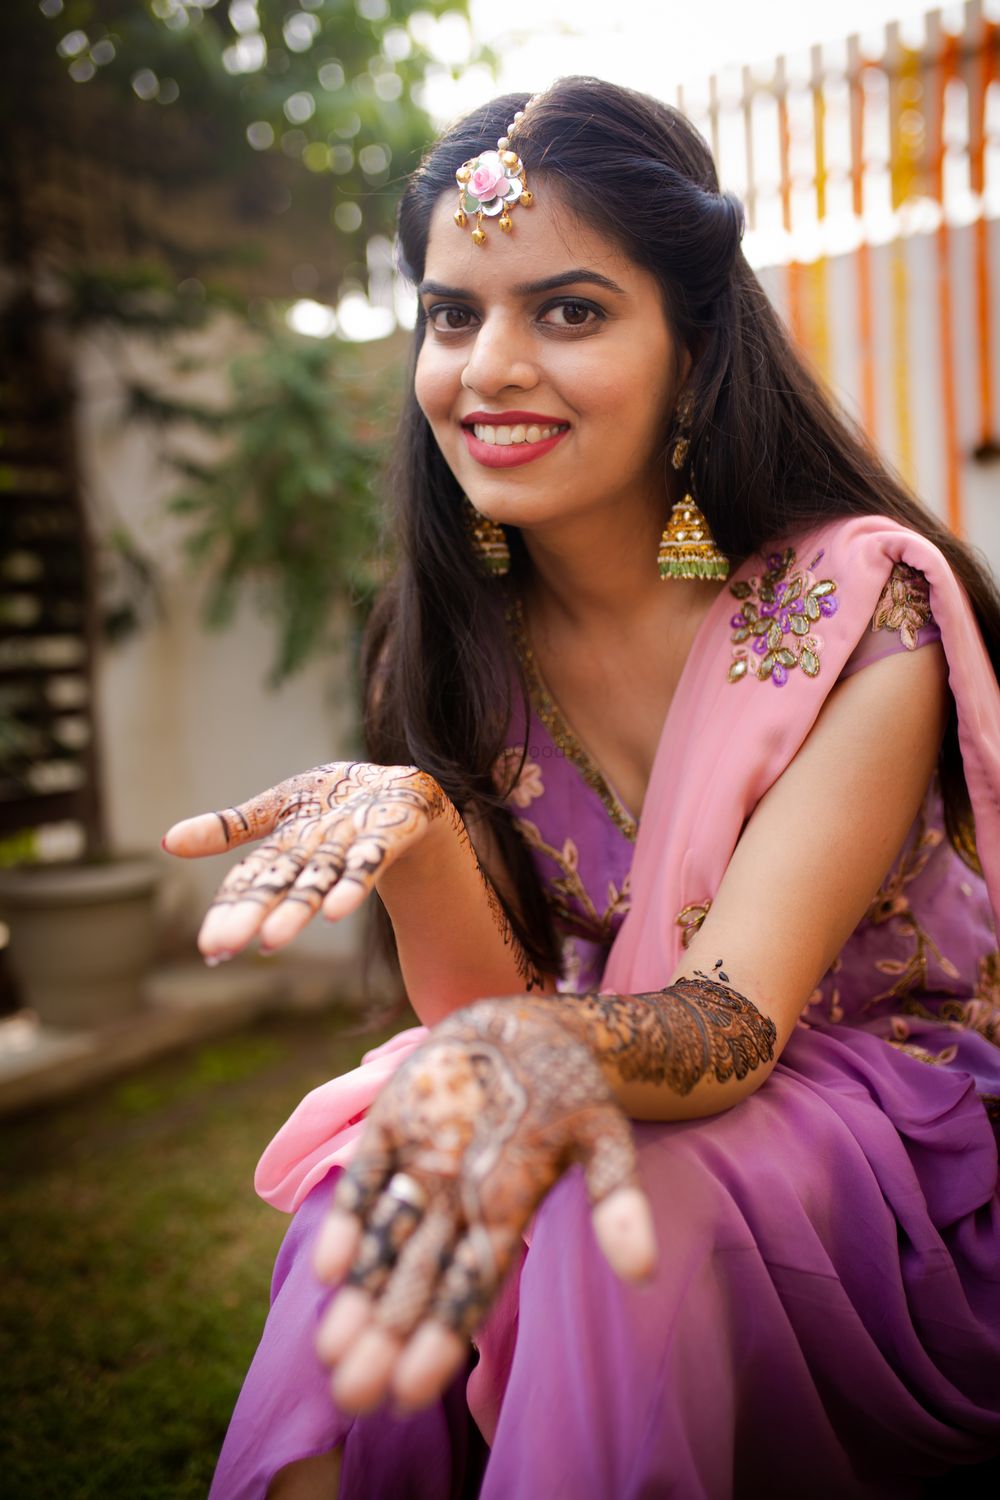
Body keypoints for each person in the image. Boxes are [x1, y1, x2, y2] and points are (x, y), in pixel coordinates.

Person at [162, 78, 1000, 1499]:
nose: (488, 367)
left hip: (887, 1146)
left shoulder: (856, 610)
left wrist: (511, 1061)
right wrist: (421, 838)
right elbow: (497, 1018)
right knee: (379, 1190)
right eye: (451, 314)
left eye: (568, 310)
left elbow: (731, 1028)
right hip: (596, 1074)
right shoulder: (451, 641)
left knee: (628, 1208)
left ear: (692, 344)